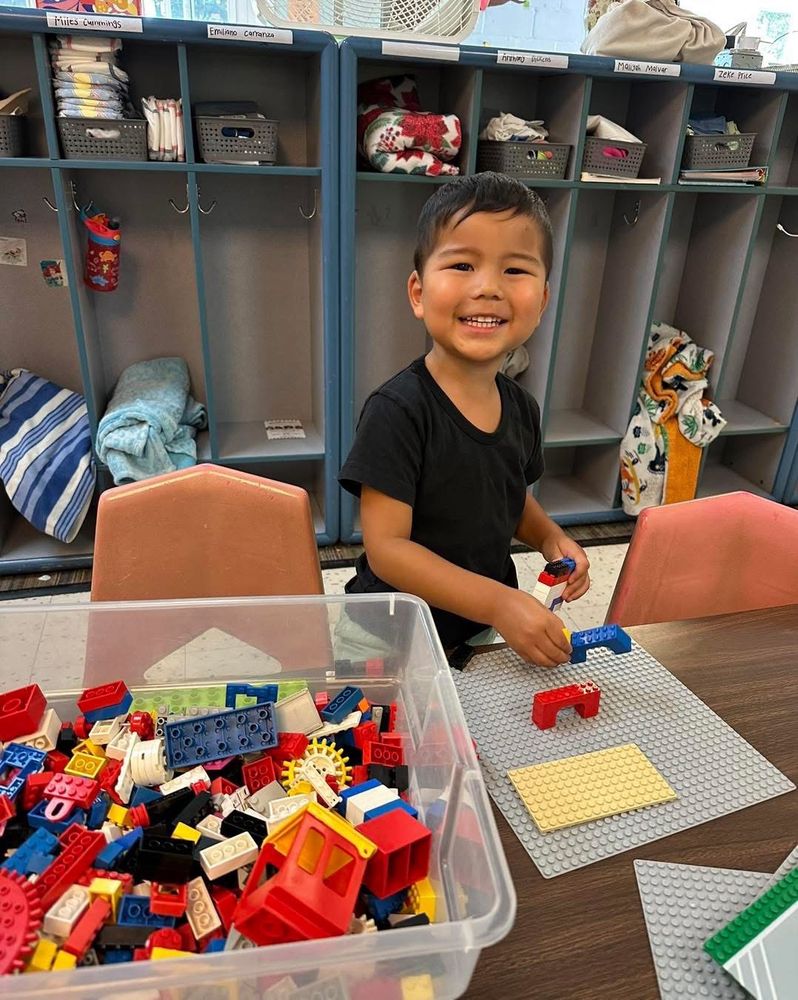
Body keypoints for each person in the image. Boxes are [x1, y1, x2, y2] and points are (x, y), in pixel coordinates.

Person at [338, 171, 590, 667]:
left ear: (541, 301)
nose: (488, 288)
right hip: (388, 635)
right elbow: (388, 549)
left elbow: (509, 498)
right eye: (462, 264)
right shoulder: (398, 410)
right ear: (417, 292)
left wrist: (549, 537)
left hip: (475, 628)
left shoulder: (521, 408)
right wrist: (499, 602)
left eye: (515, 271)